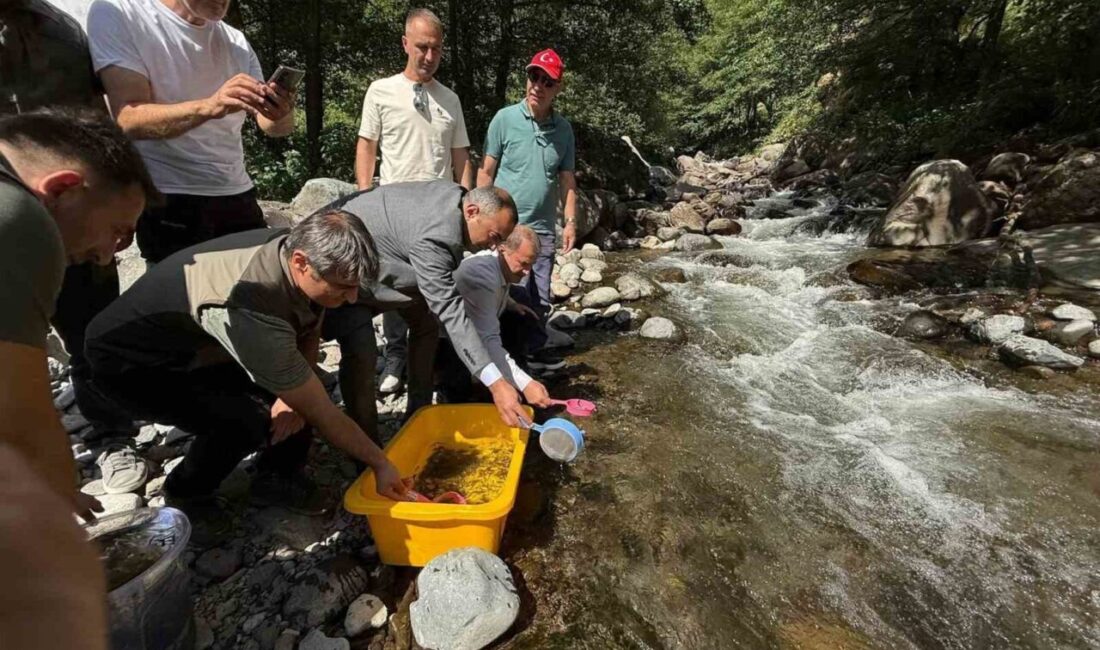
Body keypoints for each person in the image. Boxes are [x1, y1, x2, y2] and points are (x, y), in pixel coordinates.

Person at [84, 211, 408, 535]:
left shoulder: (293, 251)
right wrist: (379, 463)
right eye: (344, 287)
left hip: (202, 345)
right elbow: (320, 409)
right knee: (246, 419)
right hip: (132, 365)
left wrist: (293, 395)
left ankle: (277, 475)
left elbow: (309, 324)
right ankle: (186, 493)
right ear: (300, 263)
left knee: (296, 392)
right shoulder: (251, 301)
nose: (352, 298)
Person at [0, 107, 157, 650]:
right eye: (118, 231)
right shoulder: (21, 220)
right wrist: (59, 491)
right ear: (63, 188)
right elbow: (18, 419)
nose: (112, 253)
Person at [0, 0, 134, 436]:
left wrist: (113, 214)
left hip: (75, 210)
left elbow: (98, 120)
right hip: (8, 212)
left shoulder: (64, 29)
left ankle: (111, 429)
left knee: (94, 328)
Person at [323, 181, 532, 445]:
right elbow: (450, 310)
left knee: (426, 326)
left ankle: (417, 414)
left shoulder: (456, 195)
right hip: (344, 272)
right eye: (494, 236)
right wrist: (496, 383)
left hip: (392, 263)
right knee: (361, 351)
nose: (494, 247)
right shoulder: (439, 236)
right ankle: (366, 448)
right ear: (472, 211)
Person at [87, 0, 295, 263]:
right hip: (171, 197)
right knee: (175, 301)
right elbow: (128, 118)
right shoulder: (122, 13)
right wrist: (211, 106)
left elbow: (274, 128)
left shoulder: (236, 41)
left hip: (237, 194)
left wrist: (282, 111)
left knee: (254, 298)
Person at [355, 7, 474, 396]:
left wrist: (467, 204)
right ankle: (394, 359)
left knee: (435, 287)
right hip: (392, 212)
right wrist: (364, 197)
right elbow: (367, 146)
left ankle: (432, 358)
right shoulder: (381, 90)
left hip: (439, 212)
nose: (428, 56)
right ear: (405, 43)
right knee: (392, 288)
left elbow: (461, 157)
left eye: (436, 49)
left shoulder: (450, 99)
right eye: (421, 46)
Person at [478, 48, 578, 371]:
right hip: (508, 228)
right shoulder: (504, 119)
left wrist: (571, 222)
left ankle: (533, 357)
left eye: (546, 81)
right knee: (514, 297)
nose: (537, 85)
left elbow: (567, 181)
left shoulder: (563, 131)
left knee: (542, 299)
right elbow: (486, 172)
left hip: (545, 229)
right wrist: (479, 218)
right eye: (533, 76)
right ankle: (511, 362)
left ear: (557, 88)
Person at [436, 225, 552, 405]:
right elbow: (488, 341)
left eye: (531, 264)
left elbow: (498, 293)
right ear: (502, 249)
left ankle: (513, 380)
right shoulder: (482, 277)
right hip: (448, 341)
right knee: (461, 396)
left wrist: (512, 304)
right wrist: (525, 383)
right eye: (523, 263)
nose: (528, 272)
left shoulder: (499, 263)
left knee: (520, 305)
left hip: (478, 324)